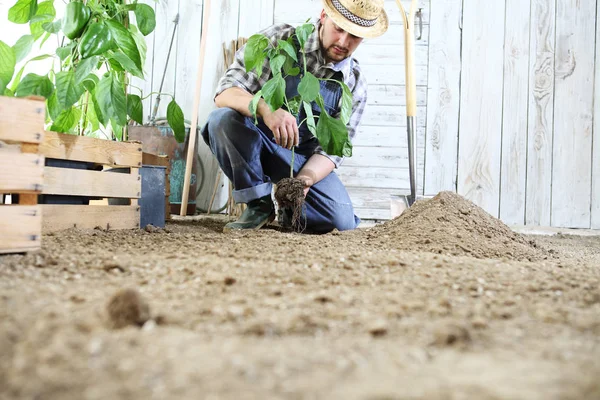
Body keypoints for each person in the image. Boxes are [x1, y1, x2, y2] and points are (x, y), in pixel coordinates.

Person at [201, 0, 388, 233]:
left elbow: (332, 150)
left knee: (341, 221)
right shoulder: (281, 41)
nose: (343, 42)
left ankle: (291, 206)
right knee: (222, 120)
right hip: (257, 143)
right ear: (323, 16)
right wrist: (265, 109)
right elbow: (225, 92)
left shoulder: (354, 83)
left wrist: (305, 180)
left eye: (354, 36)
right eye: (338, 29)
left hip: (300, 161)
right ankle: (258, 204)